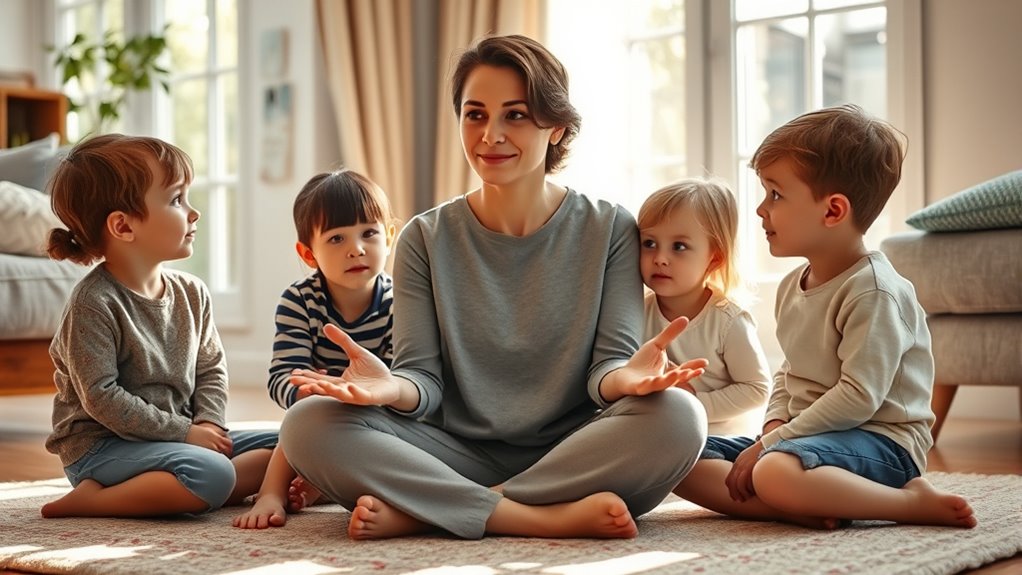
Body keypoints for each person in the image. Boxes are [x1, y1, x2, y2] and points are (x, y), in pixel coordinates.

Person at [278, 34, 710, 541]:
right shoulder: (424, 236)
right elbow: (424, 381)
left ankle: (435, 509)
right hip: (453, 450)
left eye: (517, 115)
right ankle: (529, 515)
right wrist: (391, 387)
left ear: (558, 128)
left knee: (680, 416)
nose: (491, 135)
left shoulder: (611, 227)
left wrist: (627, 380)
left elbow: (605, 371)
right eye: (475, 114)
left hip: (575, 449)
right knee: (308, 423)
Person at [673, 104, 977, 529]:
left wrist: (774, 443)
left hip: (880, 442)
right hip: (803, 437)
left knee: (774, 469)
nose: (761, 210)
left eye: (775, 195)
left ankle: (906, 504)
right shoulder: (791, 285)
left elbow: (859, 396)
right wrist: (775, 422)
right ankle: (804, 506)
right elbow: (788, 372)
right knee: (677, 455)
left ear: (833, 211)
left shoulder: (873, 291)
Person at [40, 134, 277, 519]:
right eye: (177, 200)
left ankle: (185, 489)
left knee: (295, 442)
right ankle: (95, 501)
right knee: (212, 472)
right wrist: (185, 435)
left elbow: (211, 369)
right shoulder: (93, 303)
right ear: (123, 226)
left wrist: (207, 424)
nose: (193, 213)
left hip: (178, 437)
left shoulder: (192, 292)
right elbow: (102, 398)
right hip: (103, 449)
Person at [234, 169, 397, 529]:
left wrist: (365, 394)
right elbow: (282, 375)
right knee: (298, 423)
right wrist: (312, 390)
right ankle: (270, 493)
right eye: (337, 239)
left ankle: (321, 485)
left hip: (377, 413)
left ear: (389, 236)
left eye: (369, 233)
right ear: (309, 254)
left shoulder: (396, 301)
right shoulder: (299, 301)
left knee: (393, 447)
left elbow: (403, 376)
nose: (357, 248)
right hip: (318, 411)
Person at [637, 178, 770, 436]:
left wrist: (694, 402)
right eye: (649, 243)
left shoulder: (728, 320)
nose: (660, 259)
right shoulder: (639, 312)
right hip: (660, 433)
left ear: (714, 258)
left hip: (718, 438)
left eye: (679, 247)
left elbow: (757, 388)